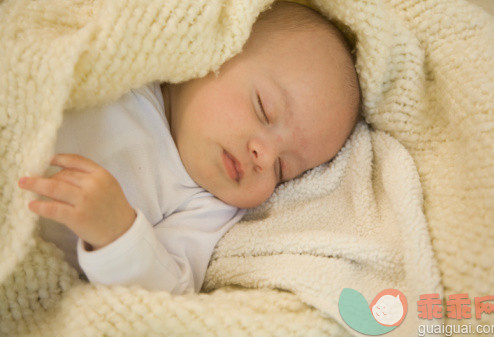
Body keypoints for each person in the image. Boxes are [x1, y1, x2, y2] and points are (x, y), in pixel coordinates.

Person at [18, 1, 360, 294]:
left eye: (283, 170)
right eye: (263, 109)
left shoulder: (206, 207)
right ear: (218, 51)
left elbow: (169, 292)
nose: (265, 156)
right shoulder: (130, 64)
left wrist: (117, 235)